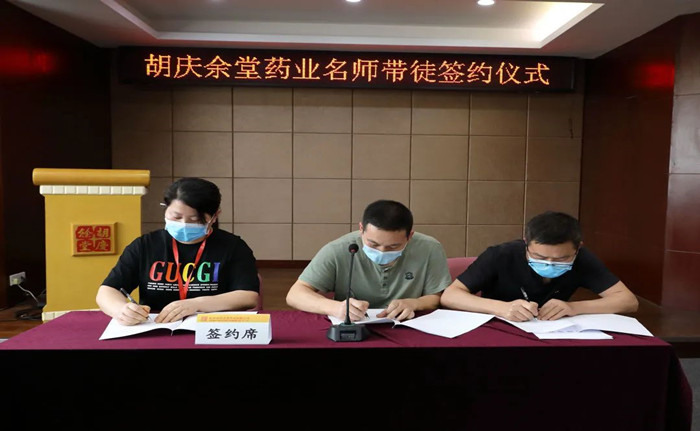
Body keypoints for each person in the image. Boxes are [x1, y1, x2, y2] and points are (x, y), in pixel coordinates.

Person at [96, 177, 260, 325]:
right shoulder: (145, 245)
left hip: (210, 327)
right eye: (176, 217)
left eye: (195, 219)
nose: (184, 224)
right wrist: (121, 310)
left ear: (215, 216)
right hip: (156, 326)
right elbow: (107, 291)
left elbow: (248, 296)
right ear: (165, 209)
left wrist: (196, 304)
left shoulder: (233, 247)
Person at [440, 211, 639, 321]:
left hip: (552, 333)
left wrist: (574, 307)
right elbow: (450, 296)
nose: (549, 263)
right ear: (526, 242)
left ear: (578, 248)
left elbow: (628, 301)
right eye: (538, 256)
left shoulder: (583, 259)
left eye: (561, 259)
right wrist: (501, 308)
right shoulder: (501, 254)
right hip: (496, 327)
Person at [286, 199, 452, 322]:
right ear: (361, 229)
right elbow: (295, 294)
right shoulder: (339, 249)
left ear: (410, 236)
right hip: (352, 328)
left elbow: (436, 296)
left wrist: (414, 303)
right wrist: (336, 308)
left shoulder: (429, 248)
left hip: (408, 325)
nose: (382, 251)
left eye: (393, 246)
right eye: (373, 244)